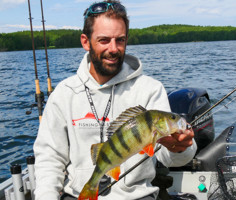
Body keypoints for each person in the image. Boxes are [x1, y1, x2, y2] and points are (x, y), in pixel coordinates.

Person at [33, 1, 197, 199]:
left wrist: (180, 148)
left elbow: (170, 159)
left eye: (120, 40)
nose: (113, 48)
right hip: (77, 194)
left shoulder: (150, 89)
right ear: (86, 42)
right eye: (104, 40)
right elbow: (49, 159)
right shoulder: (64, 93)